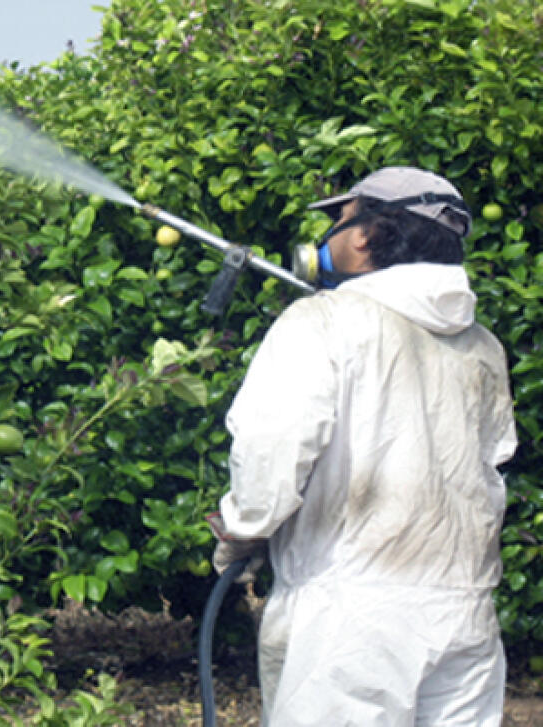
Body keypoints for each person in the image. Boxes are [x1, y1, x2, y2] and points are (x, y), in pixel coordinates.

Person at [210, 166, 517, 726]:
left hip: (348, 617)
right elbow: (490, 472)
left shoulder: (321, 322)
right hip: (465, 612)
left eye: (340, 219)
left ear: (364, 235)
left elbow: (271, 449)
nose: (328, 236)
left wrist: (242, 531)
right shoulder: (482, 346)